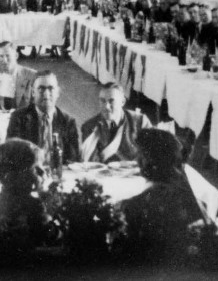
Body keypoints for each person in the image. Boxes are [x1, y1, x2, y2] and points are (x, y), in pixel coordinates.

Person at [120, 129, 206, 262]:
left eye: (139, 154)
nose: (136, 159)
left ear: (145, 160)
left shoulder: (134, 206)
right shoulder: (194, 201)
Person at [0, 139, 50, 249]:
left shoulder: (1, 199)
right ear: (20, 174)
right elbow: (49, 235)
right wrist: (47, 202)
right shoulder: (34, 205)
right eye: (36, 168)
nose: (43, 173)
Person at [6, 70, 81, 162]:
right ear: (33, 92)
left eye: (51, 89)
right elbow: (11, 154)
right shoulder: (18, 118)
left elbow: (73, 159)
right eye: (41, 89)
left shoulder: (68, 121)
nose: (46, 95)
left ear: (58, 93)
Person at [80, 83, 151, 163]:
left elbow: (151, 154)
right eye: (103, 101)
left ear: (122, 102)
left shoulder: (140, 122)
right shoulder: (90, 127)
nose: (106, 106)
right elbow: (90, 163)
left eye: (111, 101)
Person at [0, 41, 37, 110]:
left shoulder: (31, 75)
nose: (4, 60)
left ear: (16, 55)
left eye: (8, 55)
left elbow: (36, 105)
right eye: (1, 56)